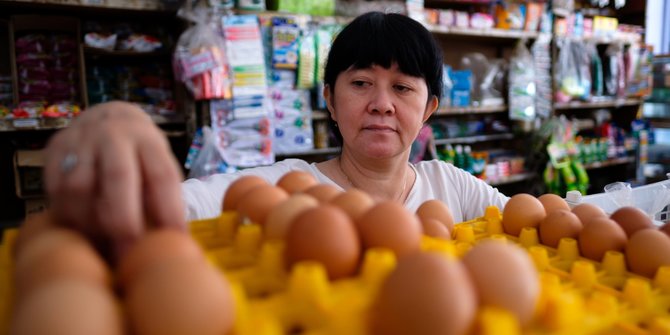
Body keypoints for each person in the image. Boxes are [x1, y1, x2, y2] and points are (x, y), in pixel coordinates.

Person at [44, 12, 509, 256]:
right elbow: (172, 206)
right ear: (329, 99)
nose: (381, 103)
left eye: (403, 87)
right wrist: (117, 124)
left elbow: (556, 221)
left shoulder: (453, 187)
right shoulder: (284, 188)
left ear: (429, 108)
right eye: (361, 83)